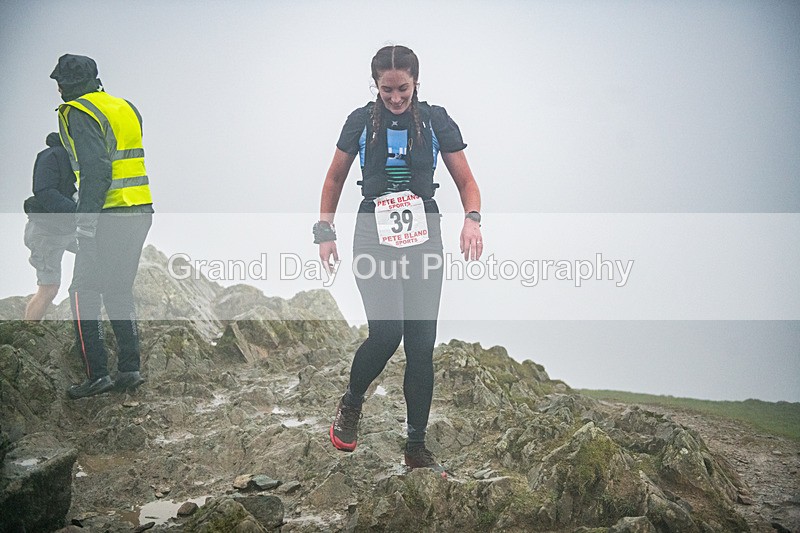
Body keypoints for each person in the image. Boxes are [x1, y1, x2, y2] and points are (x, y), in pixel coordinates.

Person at [318, 45, 483, 473]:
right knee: (387, 333)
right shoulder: (360, 122)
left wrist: (472, 221)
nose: (395, 97)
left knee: (421, 347)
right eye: (387, 89)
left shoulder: (434, 120)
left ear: (416, 82)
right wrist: (325, 231)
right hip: (373, 235)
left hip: (423, 236)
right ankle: (351, 404)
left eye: (403, 89)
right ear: (375, 85)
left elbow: (466, 181)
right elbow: (334, 178)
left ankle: (416, 446)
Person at [49, 54, 154, 399]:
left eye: (59, 82)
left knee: (82, 291)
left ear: (69, 84)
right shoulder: (124, 106)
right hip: (140, 210)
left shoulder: (79, 112)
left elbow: (96, 171)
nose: (58, 88)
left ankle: (97, 375)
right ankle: (129, 369)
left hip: (108, 214)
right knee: (119, 289)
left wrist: (85, 225)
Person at [23, 132, 78, 321]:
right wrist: (79, 210)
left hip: (67, 229)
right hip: (45, 232)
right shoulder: (52, 156)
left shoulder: (77, 156)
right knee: (49, 288)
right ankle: (28, 332)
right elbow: (44, 192)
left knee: (99, 254)